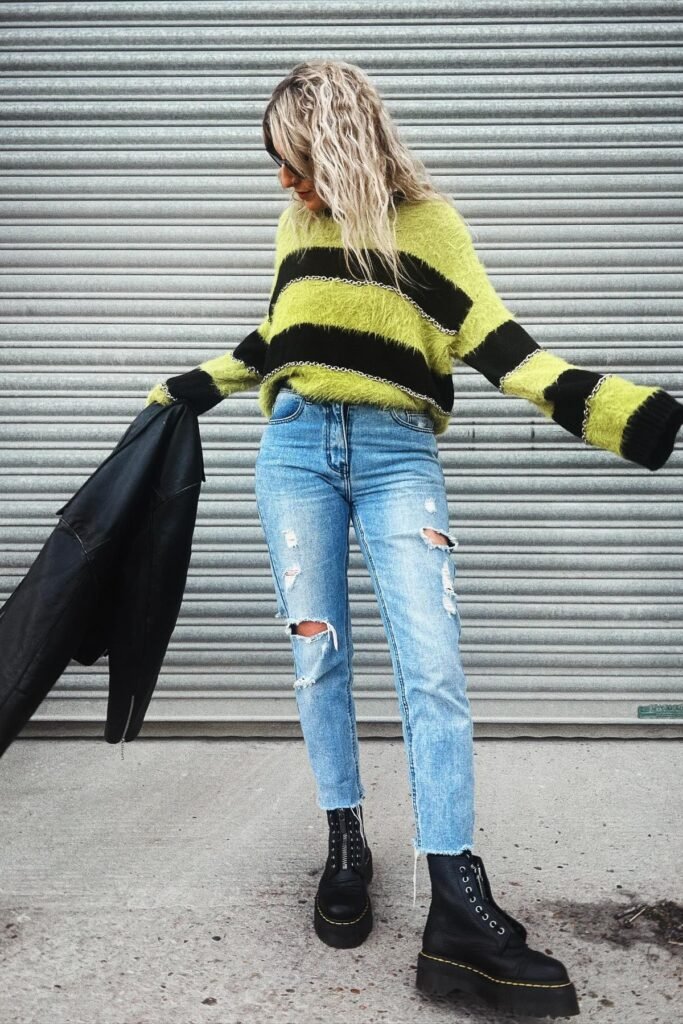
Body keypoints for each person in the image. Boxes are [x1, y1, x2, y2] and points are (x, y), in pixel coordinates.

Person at [145, 60, 682, 1019]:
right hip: (294, 451)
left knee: (431, 667)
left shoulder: (429, 228)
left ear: (337, 150)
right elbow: (282, 337)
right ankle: (345, 840)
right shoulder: (295, 226)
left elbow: (502, 348)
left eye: (294, 161)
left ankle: (455, 897)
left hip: (398, 457)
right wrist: (190, 384)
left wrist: (624, 413)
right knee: (319, 658)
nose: (282, 181)